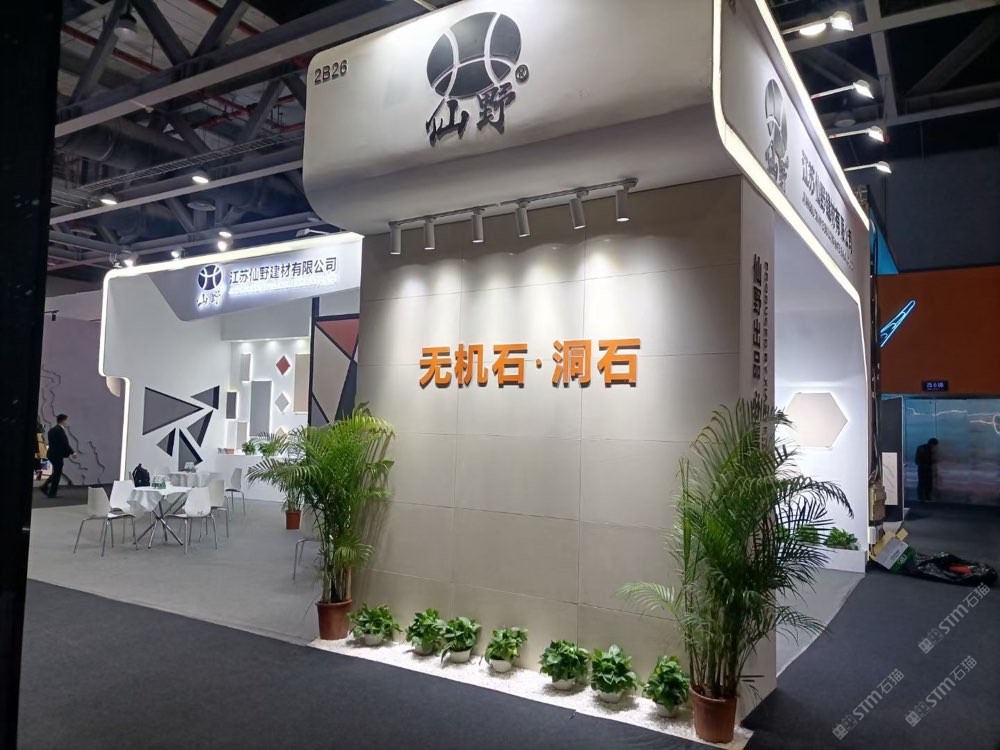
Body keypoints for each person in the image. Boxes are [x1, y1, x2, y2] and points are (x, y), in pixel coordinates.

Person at [40, 414, 75, 498]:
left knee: (56, 472)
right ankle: (51, 492)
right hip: (57, 455)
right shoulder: (59, 430)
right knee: (57, 474)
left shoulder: (52, 430)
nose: (67, 422)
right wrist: (72, 452)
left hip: (52, 454)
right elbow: (64, 443)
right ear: (63, 421)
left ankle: (46, 487)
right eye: (66, 420)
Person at [915, 437, 938, 502]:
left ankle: (921, 497)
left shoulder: (921, 448)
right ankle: (926, 497)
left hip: (922, 469)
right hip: (925, 469)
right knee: (927, 483)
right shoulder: (927, 450)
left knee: (922, 483)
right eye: (934, 445)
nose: (934, 447)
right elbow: (919, 460)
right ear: (932, 444)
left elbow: (917, 460)